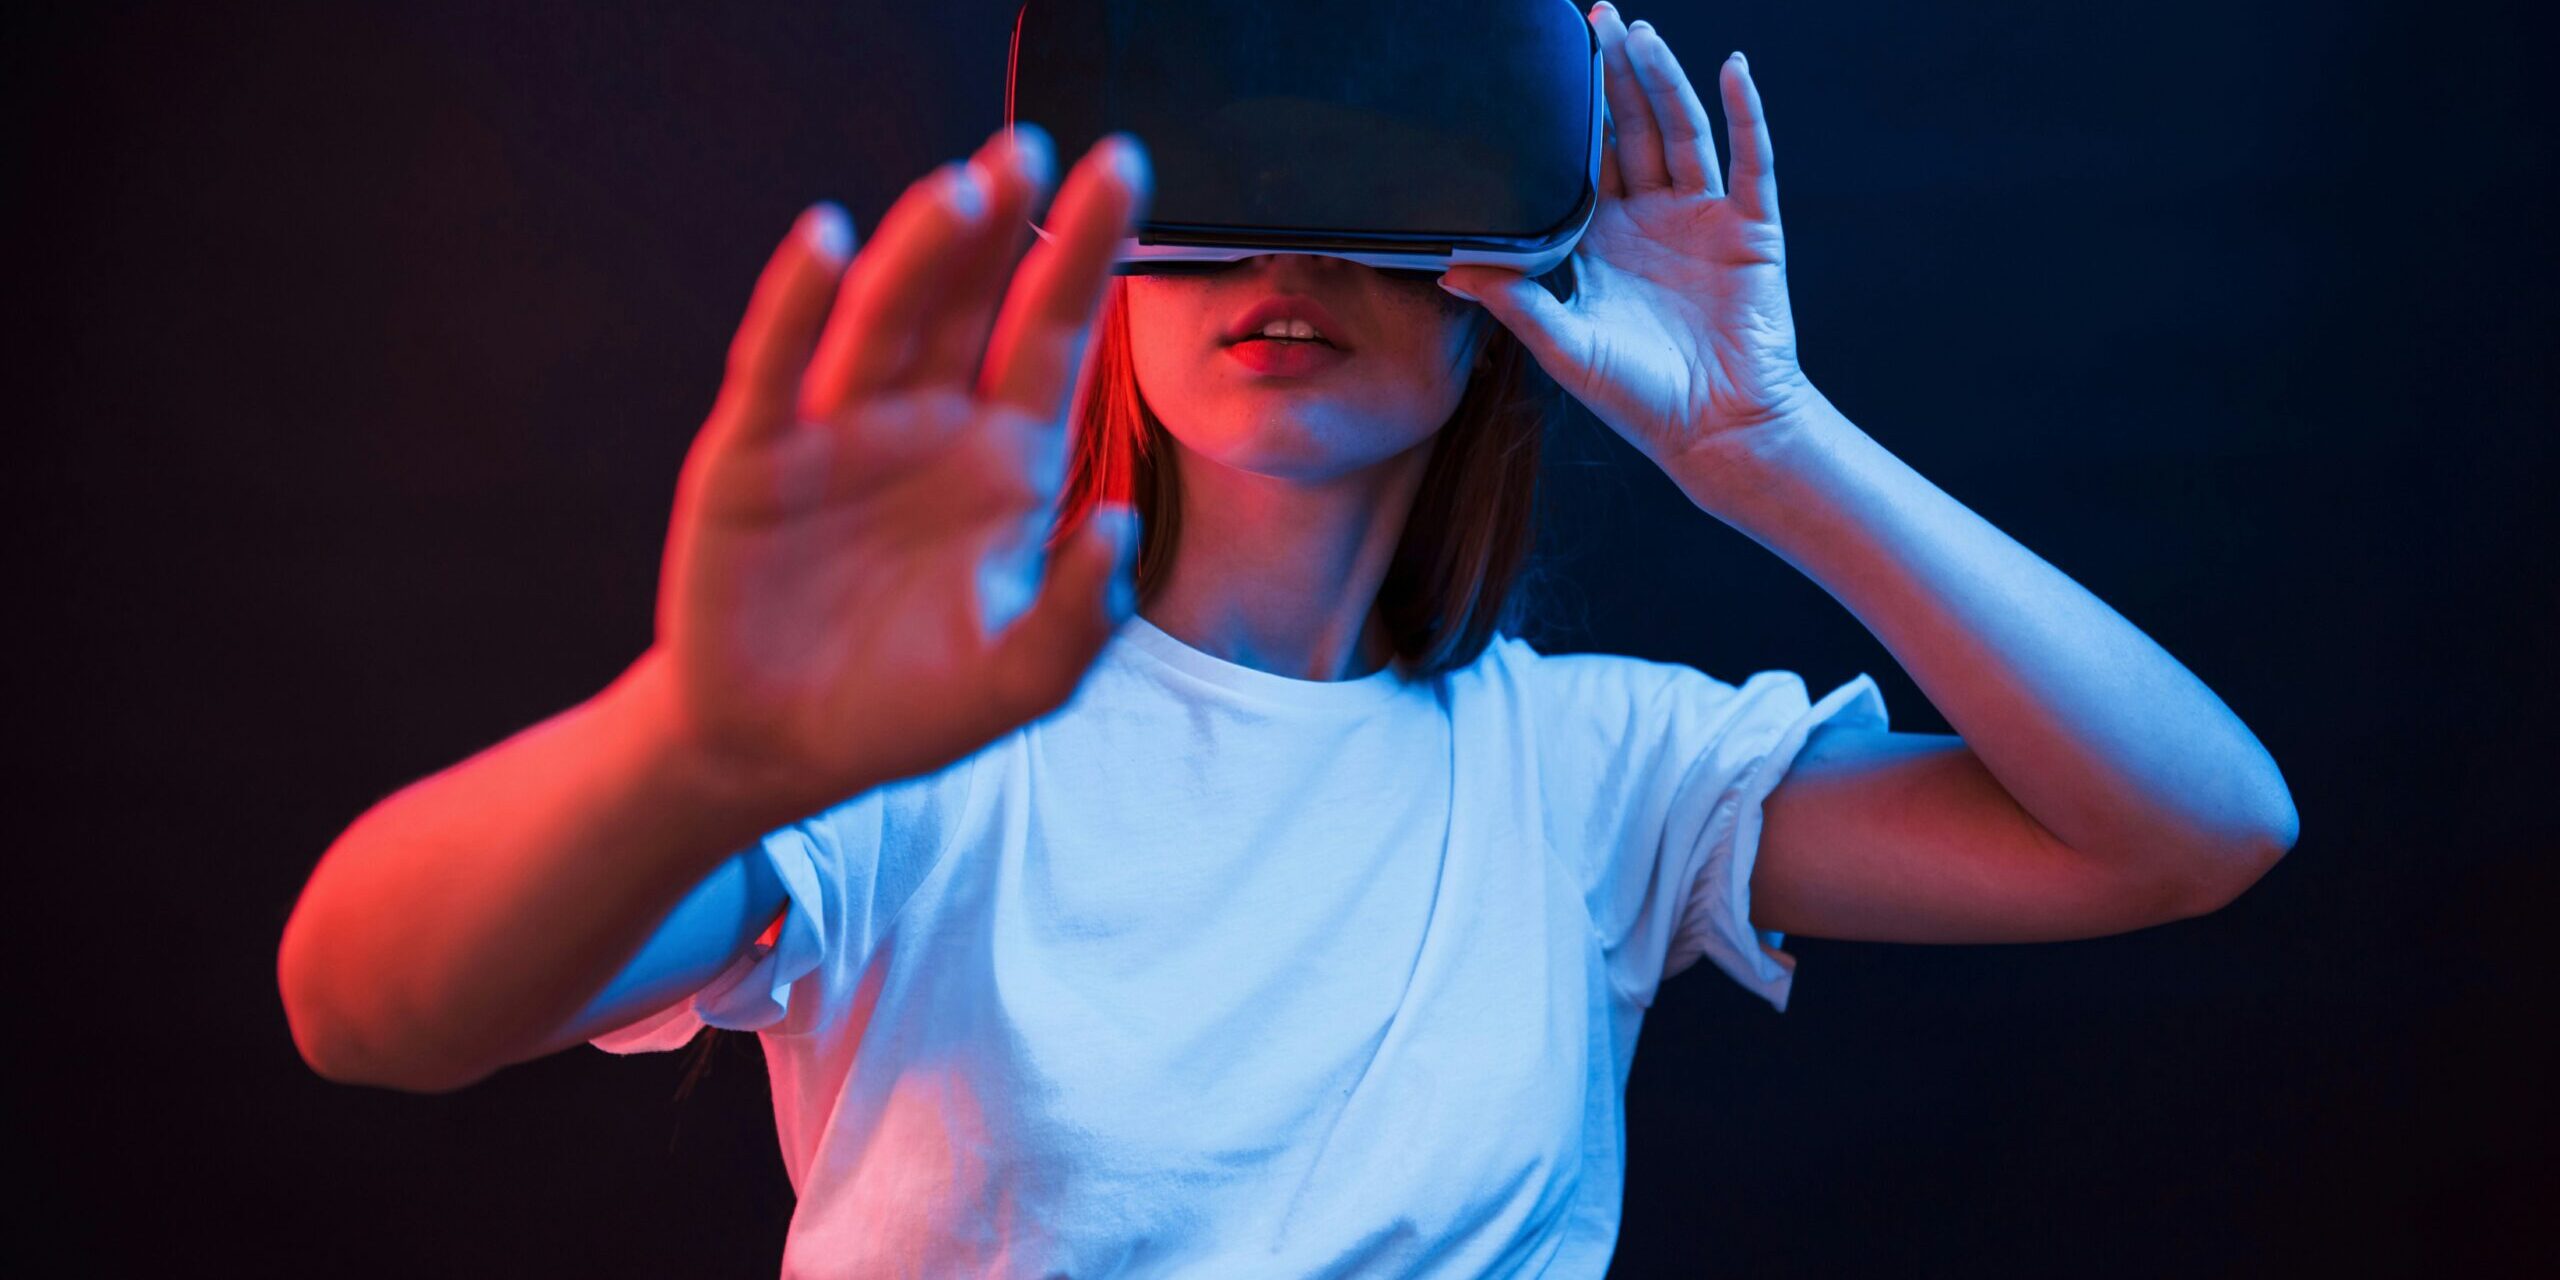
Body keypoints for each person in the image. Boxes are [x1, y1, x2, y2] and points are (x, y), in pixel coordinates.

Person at [277, 6, 2298, 1274]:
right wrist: (705, 745)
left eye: (1371, 194)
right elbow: (369, 1008)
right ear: (1106, 265)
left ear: (1500, 282)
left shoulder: (1599, 778)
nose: (1285, 262)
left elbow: (2188, 831)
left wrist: (1770, 446)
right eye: (1218, 191)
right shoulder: (909, 739)